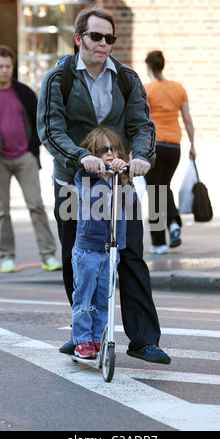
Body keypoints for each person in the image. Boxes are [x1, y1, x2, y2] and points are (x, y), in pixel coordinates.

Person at [37, 6, 171, 365]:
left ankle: (143, 340)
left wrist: (142, 157)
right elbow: (51, 130)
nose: (103, 44)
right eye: (96, 36)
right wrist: (79, 156)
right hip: (73, 184)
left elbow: (143, 126)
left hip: (117, 181)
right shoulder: (58, 78)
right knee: (78, 258)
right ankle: (85, 335)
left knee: (130, 256)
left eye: (109, 38)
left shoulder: (126, 78)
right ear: (79, 38)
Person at [0, 45, 61, 273]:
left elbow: (41, 121)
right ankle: (7, 256)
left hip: (25, 157)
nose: (5, 71)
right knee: (2, 210)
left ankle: (48, 255)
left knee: (36, 205)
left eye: (8, 66)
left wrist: (32, 148)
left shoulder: (24, 92)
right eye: (0, 66)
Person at [71, 127, 134, 359]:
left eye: (114, 149)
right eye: (103, 150)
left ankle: (98, 339)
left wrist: (124, 177)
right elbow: (94, 200)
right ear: (91, 155)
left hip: (111, 249)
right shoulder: (85, 178)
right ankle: (82, 341)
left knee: (104, 299)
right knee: (84, 298)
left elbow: (130, 202)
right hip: (88, 249)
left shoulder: (122, 178)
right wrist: (106, 176)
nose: (110, 153)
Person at [144, 50, 196, 254]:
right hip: (175, 147)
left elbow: (142, 121)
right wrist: (192, 144)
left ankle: (159, 243)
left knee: (154, 192)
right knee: (163, 187)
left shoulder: (147, 89)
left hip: (154, 145)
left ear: (148, 67)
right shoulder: (178, 88)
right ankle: (173, 224)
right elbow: (187, 119)